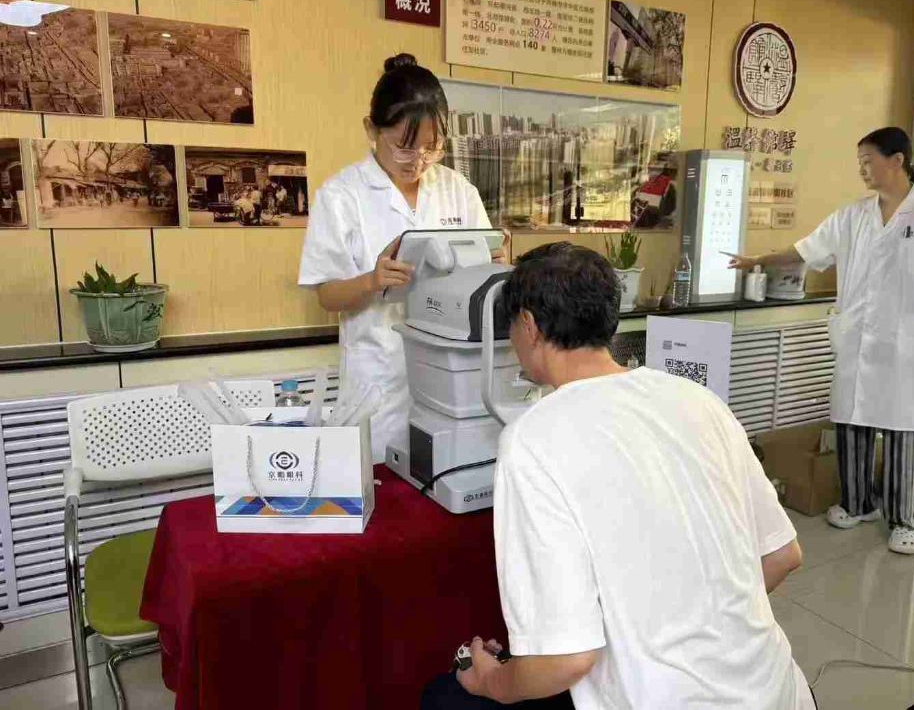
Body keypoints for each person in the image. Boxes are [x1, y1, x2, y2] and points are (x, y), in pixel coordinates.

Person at [422, 243, 811, 710]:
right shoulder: (698, 399)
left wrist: (488, 680)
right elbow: (782, 555)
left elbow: (563, 661)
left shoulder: (533, 438)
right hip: (780, 691)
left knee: (445, 698)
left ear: (528, 326)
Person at [730, 127, 914, 555]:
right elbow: (805, 250)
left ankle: (903, 520)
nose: (862, 169)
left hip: (907, 344)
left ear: (897, 160)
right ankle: (857, 504)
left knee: (904, 426)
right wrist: (758, 260)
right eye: (859, 163)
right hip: (857, 338)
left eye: (868, 161)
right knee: (852, 420)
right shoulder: (852, 216)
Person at [299, 53, 504, 463]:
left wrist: (495, 261)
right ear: (371, 130)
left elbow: (487, 270)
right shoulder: (342, 195)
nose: (419, 161)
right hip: (379, 375)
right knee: (384, 478)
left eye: (433, 148)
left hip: (451, 370)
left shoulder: (457, 190)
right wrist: (372, 281)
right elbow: (326, 296)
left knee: (449, 472)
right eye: (405, 148)